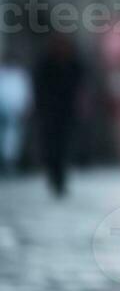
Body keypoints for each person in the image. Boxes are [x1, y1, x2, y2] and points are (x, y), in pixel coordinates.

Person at [31, 34, 85, 197]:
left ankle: (60, 179)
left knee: (63, 146)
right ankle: (53, 175)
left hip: (67, 112)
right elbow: (38, 87)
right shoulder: (45, 63)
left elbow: (81, 87)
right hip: (48, 112)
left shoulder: (74, 64)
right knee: (50, 146)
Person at [0, 57, 31, 174]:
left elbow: (25, 93)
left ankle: (10, 162)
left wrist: (25, 107)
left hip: (15, 111)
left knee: (13, 138)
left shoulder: (20, 75)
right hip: (3, 110)